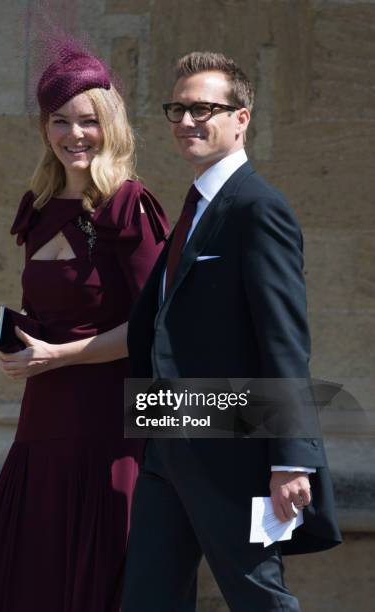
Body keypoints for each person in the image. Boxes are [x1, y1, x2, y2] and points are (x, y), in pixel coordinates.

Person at [122, 52, 342, 612]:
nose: (186, 120)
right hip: (166, 435)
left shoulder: (257, 208)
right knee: (148, 598)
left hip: (231, 443)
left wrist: (292, 458)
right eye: (177, 108)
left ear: (242, 117)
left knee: (257, 598)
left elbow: (284, 338)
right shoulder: (196, 207)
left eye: (204, 108)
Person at [0, 41, 168, 612]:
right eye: (60, 120)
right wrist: (23, 342)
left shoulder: (129, 207)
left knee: (95, 581)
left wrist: (59, 355)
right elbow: (57, 313)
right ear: (45, 127)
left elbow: (155, 328)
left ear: (111, 123)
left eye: (88, 120)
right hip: (42, 419)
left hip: (108, 422)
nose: (74, 134)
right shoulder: (41, 205)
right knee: (29, 578)